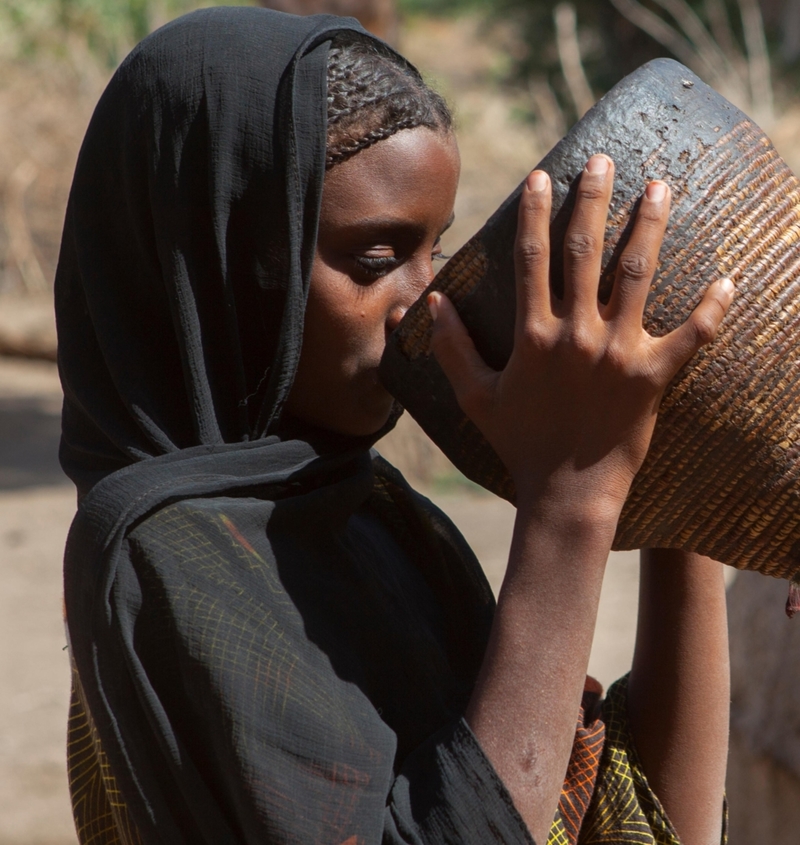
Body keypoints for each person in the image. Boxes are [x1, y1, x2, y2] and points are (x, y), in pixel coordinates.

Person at [57, 7, 732, 844]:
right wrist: (568, 506)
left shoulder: (385, 518)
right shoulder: (166, 557)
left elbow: (656, 823)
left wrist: (681, 489)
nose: (424, 304)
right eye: (376, 261)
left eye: (435, 251)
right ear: (224, 264)